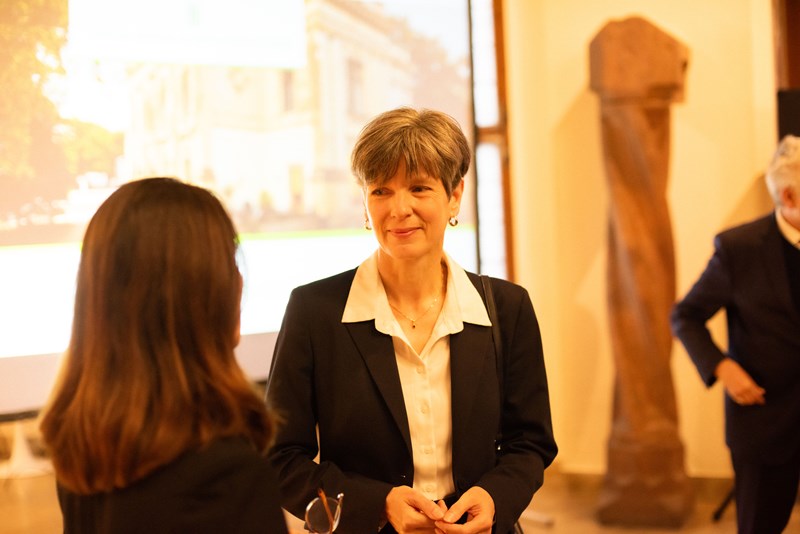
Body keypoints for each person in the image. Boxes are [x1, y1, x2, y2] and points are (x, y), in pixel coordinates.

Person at [265, 107, 557, 533]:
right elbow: (280, 459)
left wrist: (495, 496)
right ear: (365, 204)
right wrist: (377, 503)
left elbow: (530, 443)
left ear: (454, 195)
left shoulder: (506, 308)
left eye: (419, 188)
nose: (399, 208)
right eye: (381, 191)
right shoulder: (315, 310)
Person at [38, 177, 289, 534]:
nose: (239, 279)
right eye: (227, 259)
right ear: (198, 294)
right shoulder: (225, 476)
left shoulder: (87, 452)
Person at [671, 135, 800, 534]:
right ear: (790, 195)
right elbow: (686, 315)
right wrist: (722, 368)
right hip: (765, 425)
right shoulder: (739, 249)